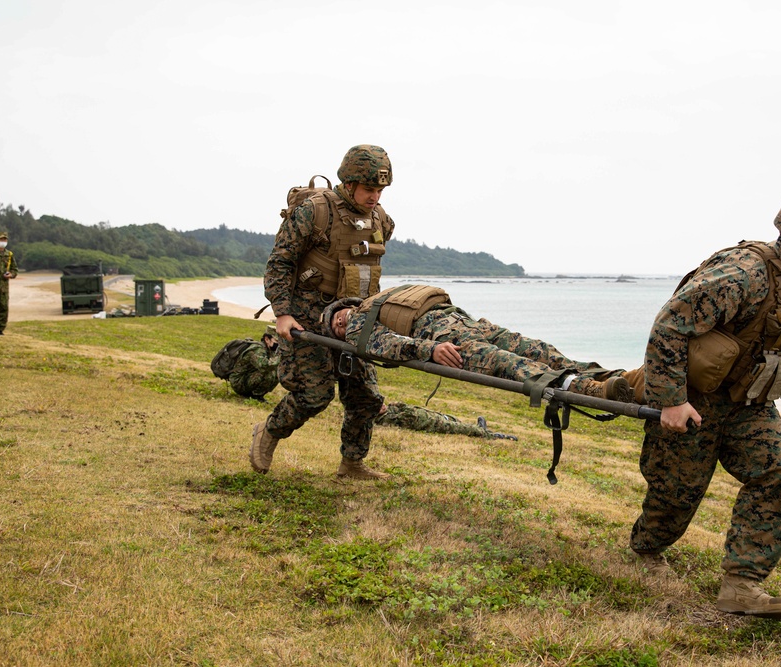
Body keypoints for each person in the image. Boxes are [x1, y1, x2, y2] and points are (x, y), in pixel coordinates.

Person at [627, 180, 781, 620]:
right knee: (675, 497)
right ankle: (645, 550)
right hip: (696, 398)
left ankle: (742, 585)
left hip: (749, 405)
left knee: (779, 474)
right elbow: (669, 326)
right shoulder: (743, 273)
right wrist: (671, 401)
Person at [251, 145, 396, 481]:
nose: (375, 197)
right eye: (368, 189)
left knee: (364, 395)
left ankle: (352, 464)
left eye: (380, 190)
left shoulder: (381, 220)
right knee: (313, 395)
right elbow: (280, 263)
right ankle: (269, 432)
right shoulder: (315, 212)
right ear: (348, 183)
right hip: (308, 314)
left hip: (353, 317)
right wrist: (283, 313)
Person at [323, 284, 633, 401]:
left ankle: (609, 377)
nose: (339, 323)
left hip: (469, 324)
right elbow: (388, 344)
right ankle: (589, 389)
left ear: (346, 304)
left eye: (338, 315)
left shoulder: (376, 300)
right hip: (446, 340)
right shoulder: (360, 326)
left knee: (537, 348)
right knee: (508, 363)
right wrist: (430, 350)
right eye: (335, 329)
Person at [375, 402, 516, 440]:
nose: (382, 404)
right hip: (436, 425)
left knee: (457, 421)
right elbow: (410, 415)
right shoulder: (386, 419)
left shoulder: (388, 411)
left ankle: (480, 429)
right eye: (378, 405)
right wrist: (400, 405)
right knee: (463, 429)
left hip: (437, 417)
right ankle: (494, 436)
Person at [228, 328, 280, 401]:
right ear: (267, 339)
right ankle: (255, 396)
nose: (279, 344)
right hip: (239, 382)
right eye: (277, 341)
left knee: (278, 371)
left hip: (248, 378)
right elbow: (265, 366)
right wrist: (281, 356)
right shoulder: (257, 349)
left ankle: (258, 395)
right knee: (269, 372)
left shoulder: (270, 350)